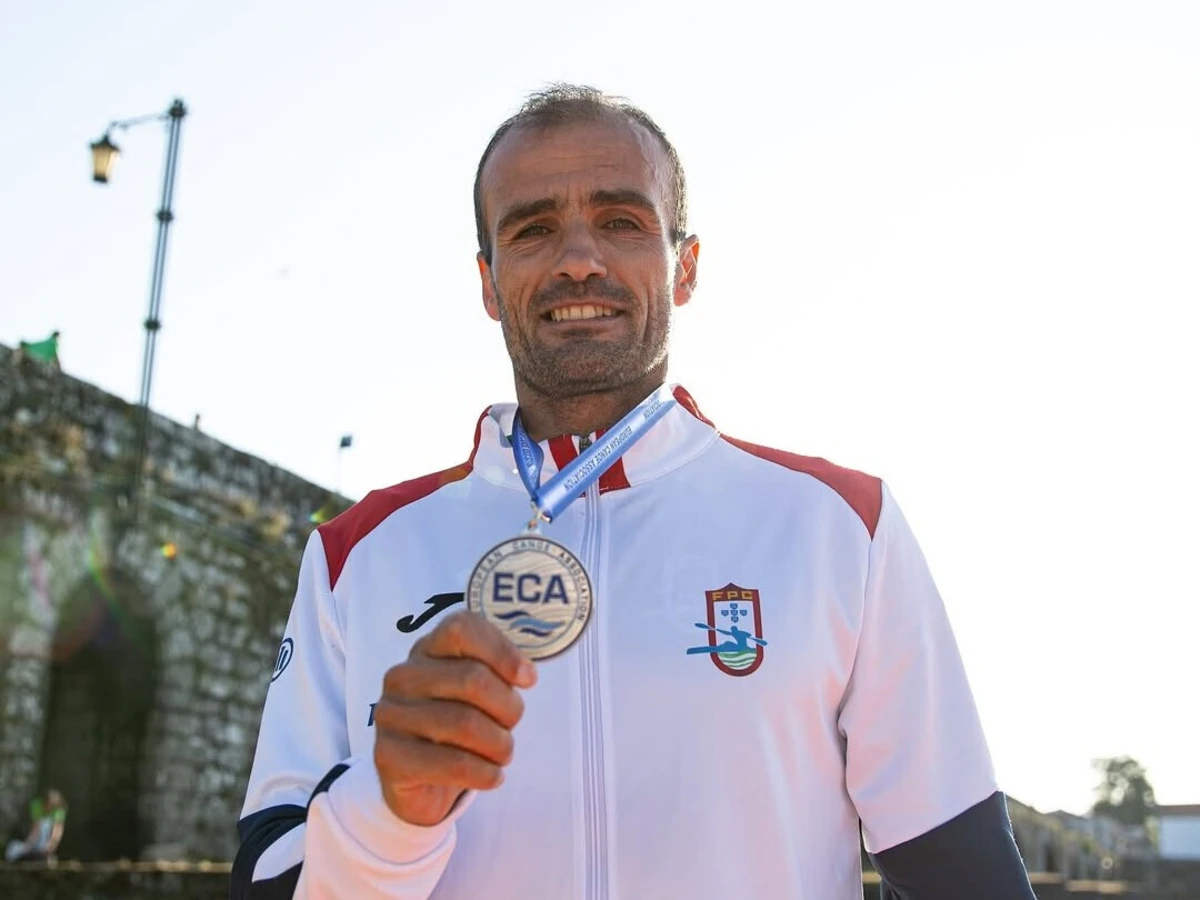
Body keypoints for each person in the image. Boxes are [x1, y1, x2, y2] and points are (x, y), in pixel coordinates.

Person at [232, 84, 1036, 899]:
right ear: (487, 281)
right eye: (533, 228)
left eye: (621, 221)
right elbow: (262, 883)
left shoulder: (841, 526)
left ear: (683, 265)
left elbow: (964, 877)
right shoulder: (355, 552)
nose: (578, 258)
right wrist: (383, 815)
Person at [5, 789, 67, 863]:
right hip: (31, 836)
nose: (49, 809)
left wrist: (51, 845)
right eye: (48, 805)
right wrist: (29, 845)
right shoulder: (37, 805)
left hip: (45, 839)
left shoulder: (59, 810)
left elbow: (57, 830)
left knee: (46, 824)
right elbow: (35, 828)